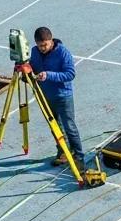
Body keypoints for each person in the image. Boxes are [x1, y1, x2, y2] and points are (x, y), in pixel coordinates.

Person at [29, 26, 85, 167]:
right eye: (39, 45)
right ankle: (62, 152)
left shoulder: (63, 53)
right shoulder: (34, 52)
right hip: (46, 96)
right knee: (55, 127)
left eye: (45, 45)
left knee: (69, 127)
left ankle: (78, 155)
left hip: (63, 96)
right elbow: (32, 67)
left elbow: (70, 74)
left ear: (51, 40)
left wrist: (49, 75)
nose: (42, 48)